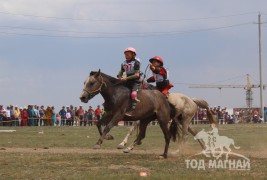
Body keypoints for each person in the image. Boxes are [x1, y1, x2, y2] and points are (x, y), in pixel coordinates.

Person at [117, 47, 141, 116]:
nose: (126, 56)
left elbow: (137, 75)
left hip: (135, 81)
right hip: (127, 81)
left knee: (133, 94)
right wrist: (119, 77)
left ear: (133, 55)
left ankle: (133, 110)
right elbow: (121, 72)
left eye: (128, 55)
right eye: (125, 55)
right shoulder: (123, 63)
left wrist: (126, 78)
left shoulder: (136, 63)